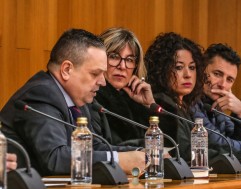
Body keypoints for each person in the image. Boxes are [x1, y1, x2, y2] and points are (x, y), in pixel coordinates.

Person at [0, 29, 145, 176]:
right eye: (95, 74)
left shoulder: (76, 100)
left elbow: (94, 146)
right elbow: (55, 158)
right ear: (67, 69)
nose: (102, 82)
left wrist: (142, 154)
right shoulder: (41, 95)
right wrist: (117, 160)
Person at [145, 32, 205, 163]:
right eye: (179, 67)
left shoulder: (183, 105)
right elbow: (184, 152)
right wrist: (239, 156)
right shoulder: (161, 105)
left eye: (192, 67)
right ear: (161, 69)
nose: (188, 74)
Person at [91, 27, 154, 147]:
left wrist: (149, 106)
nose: (122, 66)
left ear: (136, 66)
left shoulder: (134, 101)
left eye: (129, 59)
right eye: (114, 57)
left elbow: (169, 148)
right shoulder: (91, 98)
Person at [193, 43, 241, 153]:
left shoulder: (216, 105)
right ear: (202, 69)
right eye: (217, 74)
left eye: (229, 80)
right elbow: (219, 144)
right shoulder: (190, 102)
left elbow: (233, 139)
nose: (222, 84)